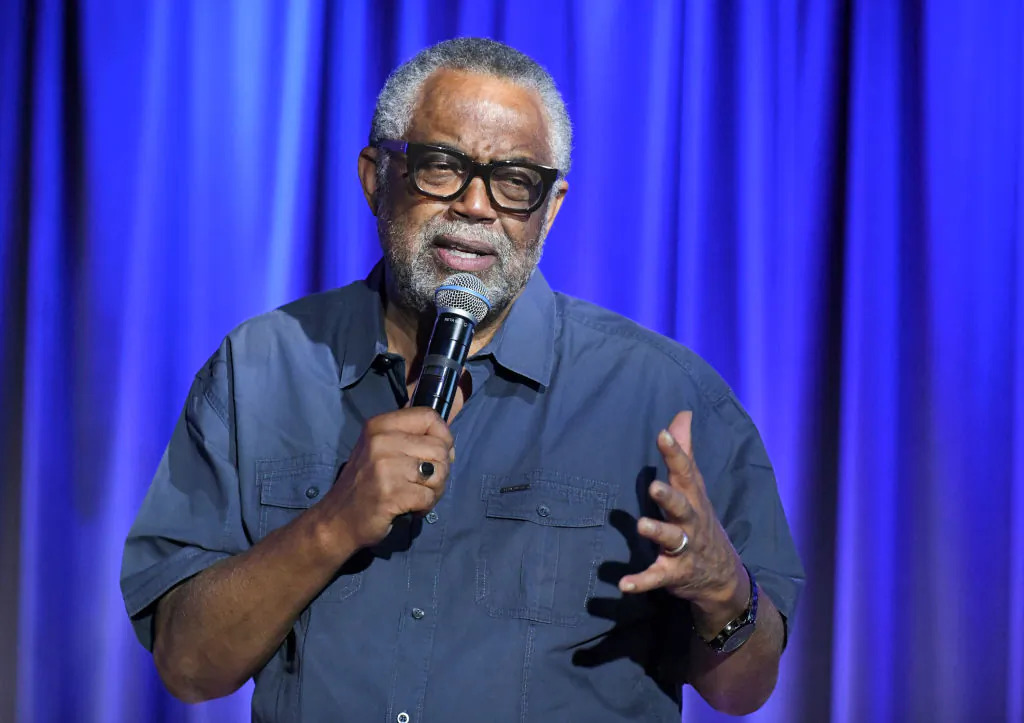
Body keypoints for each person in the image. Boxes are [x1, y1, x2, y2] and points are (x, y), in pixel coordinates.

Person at [120, 37, 804, 722]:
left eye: (514, 181)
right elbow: (188, 666)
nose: (476, 206)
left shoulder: (662, 395)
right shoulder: (260, 369)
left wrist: (724, 589)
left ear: (551, 207)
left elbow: (744, 689)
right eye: (442, 167)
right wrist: (333, 521)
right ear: (374, 176)